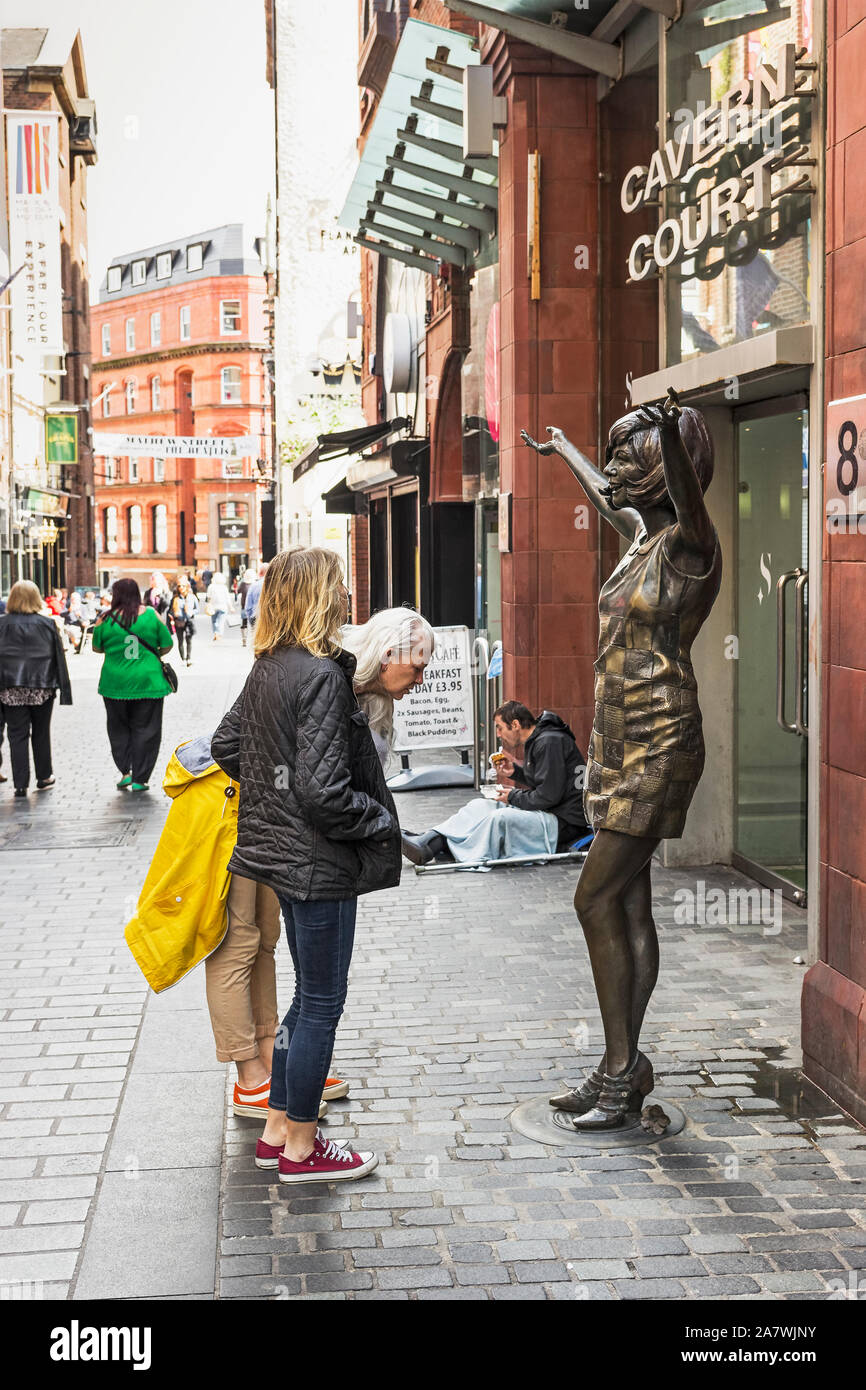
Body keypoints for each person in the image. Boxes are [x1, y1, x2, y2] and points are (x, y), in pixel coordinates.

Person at [522, 393, 721, 1127]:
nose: (614, 471)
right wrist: (565, 450)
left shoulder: (693, 547)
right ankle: (623, 1067)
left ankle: (618, 1070)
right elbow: (611, 501)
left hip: (661, 741)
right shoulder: (641, 538)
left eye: (628, 460)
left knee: (593, 897)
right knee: (628, 901)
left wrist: (668, 433)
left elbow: (687, 500)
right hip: (614, 739)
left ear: (670, 468)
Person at [211, 547, 402, 1184]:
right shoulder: (319, 674)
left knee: (305, 1001)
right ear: (319, 595)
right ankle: (301, 1146)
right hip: (317, 864)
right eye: (340, 585)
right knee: (321, 1003)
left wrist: (272, 799)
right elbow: (323, 792)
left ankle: (275, 1129)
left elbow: (226, 744)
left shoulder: (269, 667)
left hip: (281, 859)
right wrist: (381, 822)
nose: (349, 594)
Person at [401, 701, 590, 865]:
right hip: (552, 811)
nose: (498, 734)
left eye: (500, 727)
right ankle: (428, 840)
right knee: (478, 806)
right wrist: (515, 772)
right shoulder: (540, 740)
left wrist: (512, 796)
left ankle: (433, 844)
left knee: (498, 818)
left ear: (515, 724)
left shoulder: (549, 742)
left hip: (564, 823)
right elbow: (546, 782)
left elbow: (548, 795)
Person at [92, 578, 174, 792]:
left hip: (115, 684)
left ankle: (125, 772)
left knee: (118, 728)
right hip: (149, 683)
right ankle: (141, 777)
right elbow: (167, 645)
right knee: (148, 729)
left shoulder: (106, 619)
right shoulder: (150, 615)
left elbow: (96, 647)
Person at [0, 580, 72, 796]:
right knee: (41, 733)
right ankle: (44, 775)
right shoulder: (47, 624)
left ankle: (20, 783)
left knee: (17, 735)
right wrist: (61, 686)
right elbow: (58, 656)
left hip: (10, 687)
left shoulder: (2, 624)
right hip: (41, 686)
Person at [341, 606, 435, 766]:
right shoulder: (331, 683)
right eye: (416, 669)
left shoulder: (378, 700)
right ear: (387, 657)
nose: (420, 680)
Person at [168, 577, 198, 666]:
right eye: (179, 586)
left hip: (189, 621)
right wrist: (173, 615)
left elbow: (197, 609)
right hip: (179, 622)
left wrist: (191, 612)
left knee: (189, 640)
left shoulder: (192, 597)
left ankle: (189, 658)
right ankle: (183, 658)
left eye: (183, 586)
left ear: (187, 587)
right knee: (180, 641)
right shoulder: (175, 598)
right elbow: (170, 611)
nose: (181, 587)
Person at [206, 570, 230, 641]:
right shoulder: (224, 587)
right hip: (223, 607)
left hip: (213, 607)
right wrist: (231, 607)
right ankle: (219, 634)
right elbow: (227, 598)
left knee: (214, 621)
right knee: (221, 622)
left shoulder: (211, 586)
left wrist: (208, 605)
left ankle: (216, 633)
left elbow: (208, 597)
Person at [237, 567, 257, 647]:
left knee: (244, 623)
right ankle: (254, 639)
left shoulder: (243, 584)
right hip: (255, 607)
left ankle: (244, 639)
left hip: (244, 606)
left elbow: (238, 591)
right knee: (254, 624)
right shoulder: (255, 584)